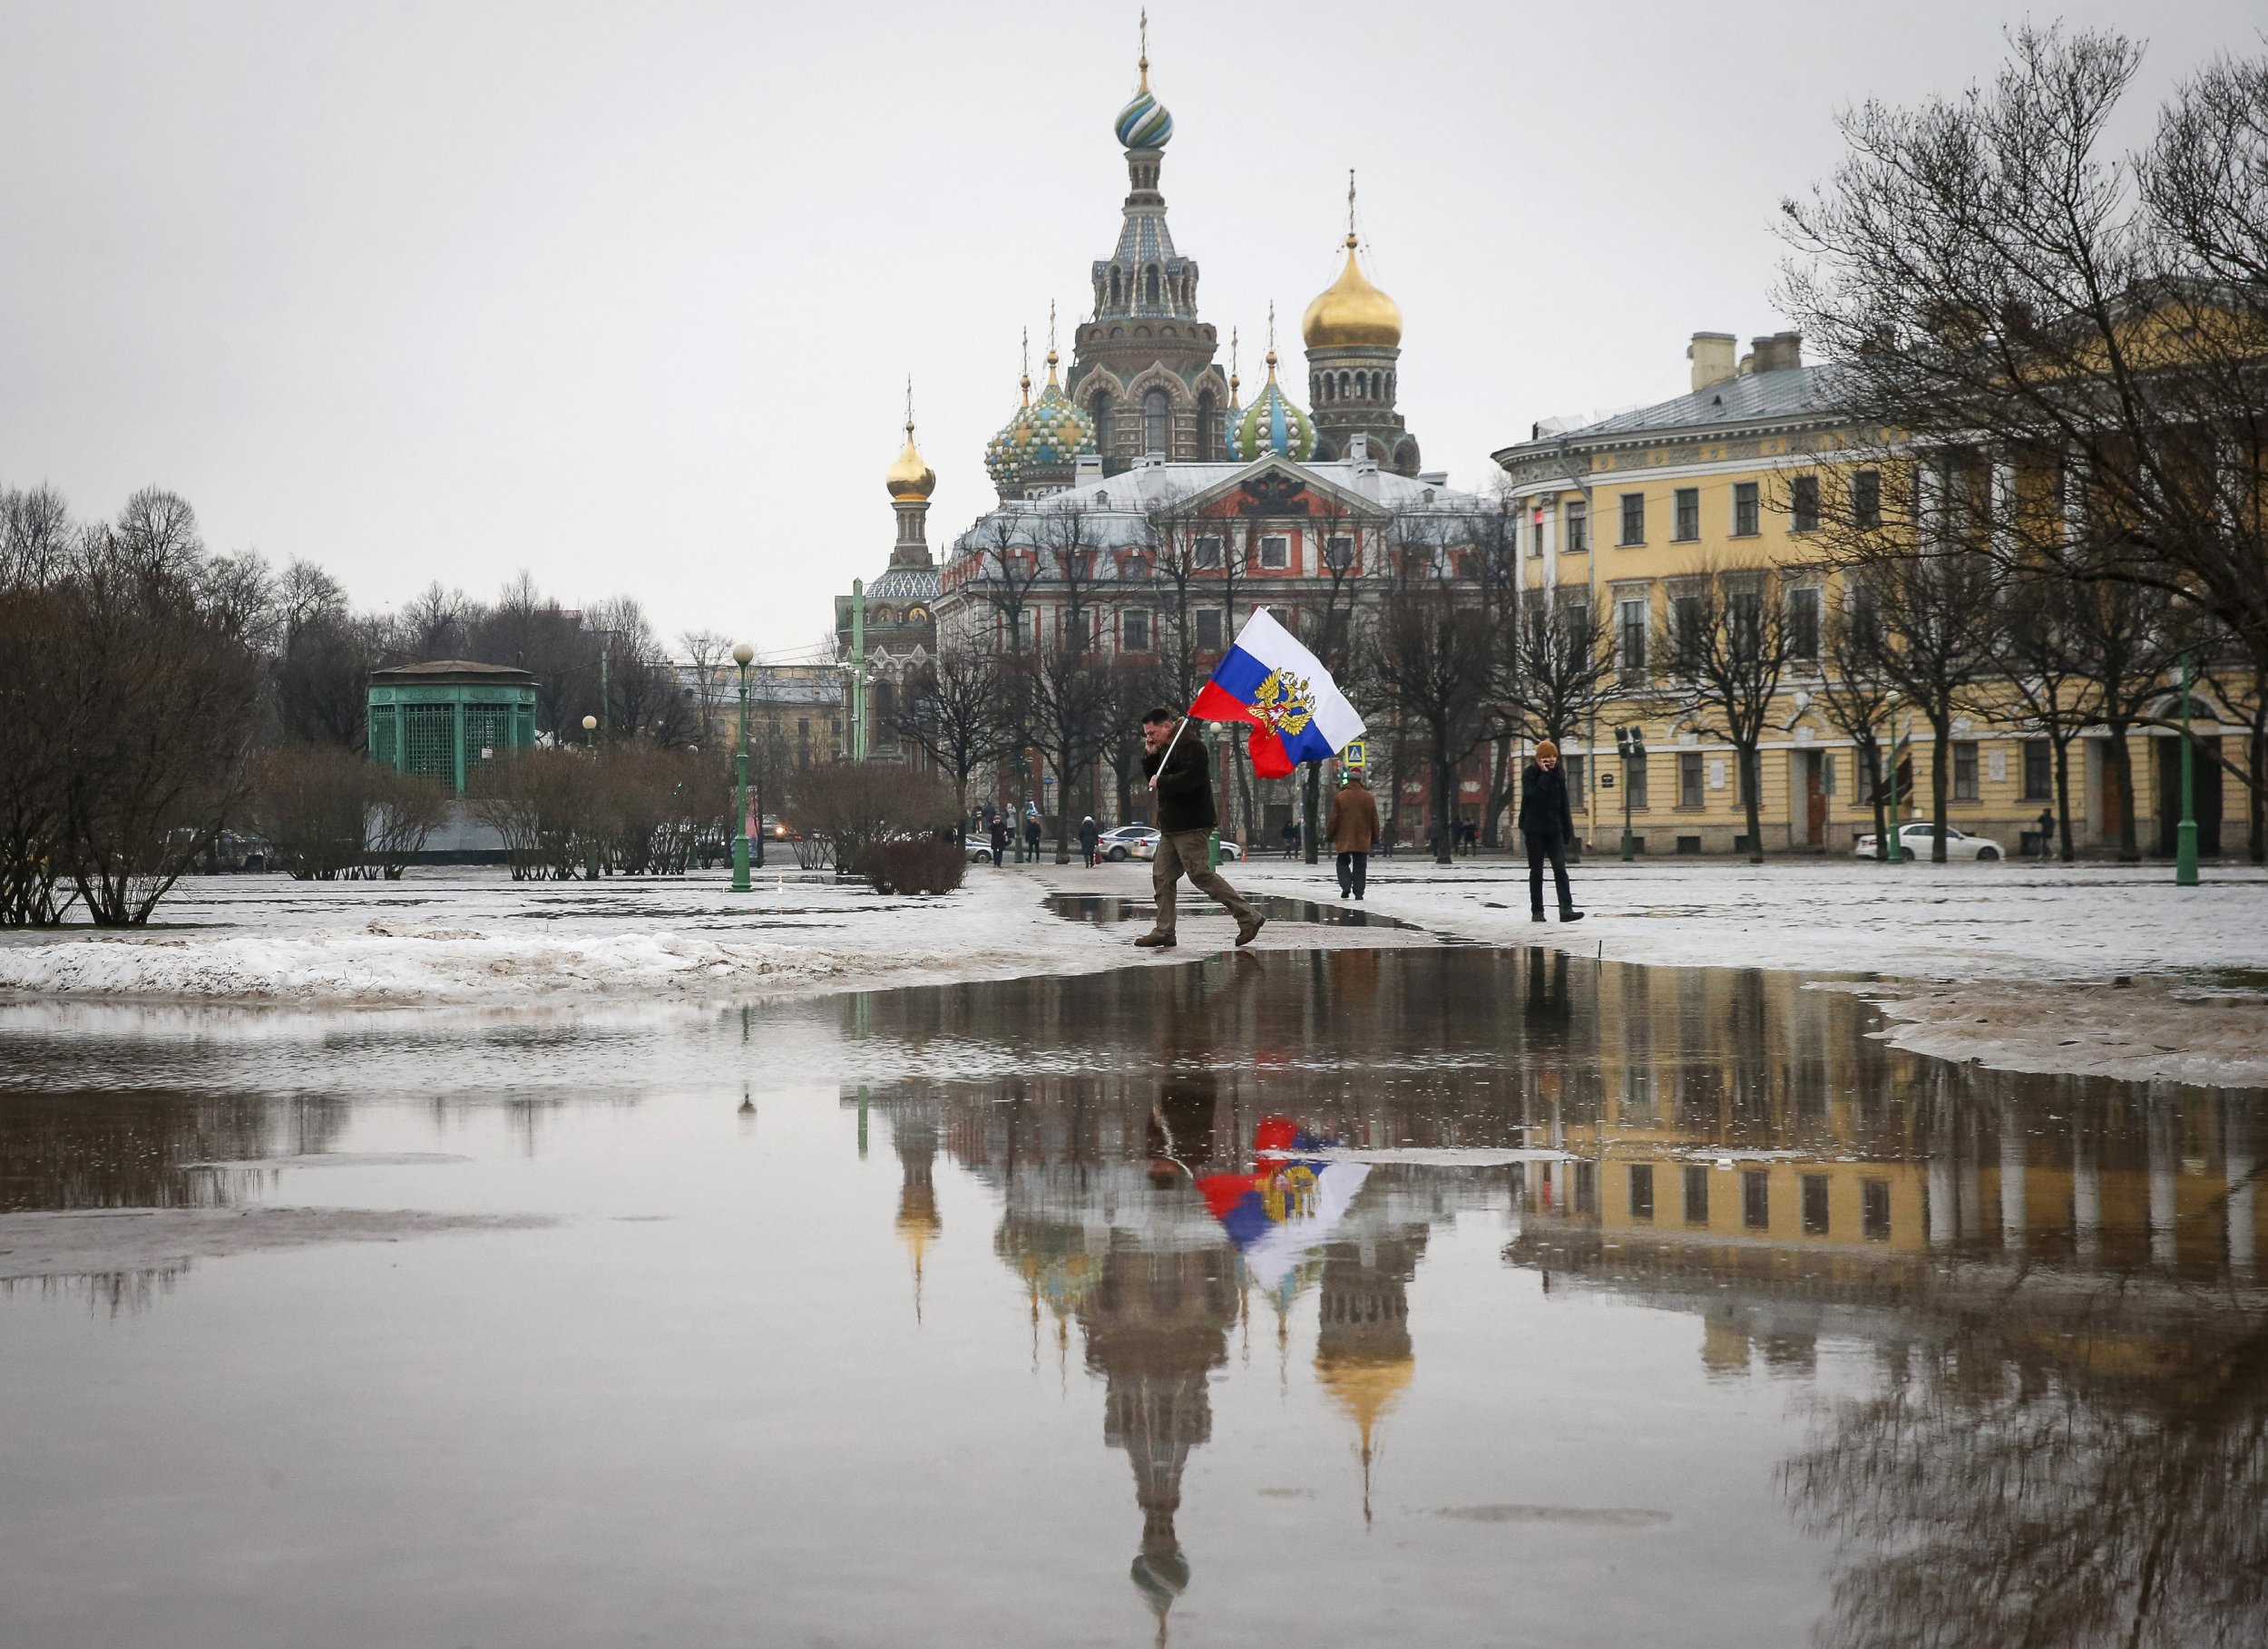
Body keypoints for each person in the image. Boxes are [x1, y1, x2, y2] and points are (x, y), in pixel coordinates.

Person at [1134, 707, 1264, 950]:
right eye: (1147, 734)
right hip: (1172, 826)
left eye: (1152, 733)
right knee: (1162, 876)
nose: (1149, 738)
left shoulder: (1192, 746)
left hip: (1191, 824)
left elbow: (1191, 780)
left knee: (1200, 874)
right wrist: (1150, 755)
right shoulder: (1166, 748)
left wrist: (1163, 780)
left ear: (1167, 726)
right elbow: (1155, 777)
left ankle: (1249, 917)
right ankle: (1164, 931)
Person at [1519, 739, 1584, 922]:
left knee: (1560, 870)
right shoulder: (1529, 774)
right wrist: (1545, 775)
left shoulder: (1559, 775)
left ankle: (1566, 909)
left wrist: (1567, 831)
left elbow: (1564, 804)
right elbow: (1533, 796)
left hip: (1554, 829)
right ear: (1539, 758)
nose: (1552, 759)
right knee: (1537, 872)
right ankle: (1537, 911)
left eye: (1554, 755)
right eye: (1547, 756)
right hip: (1534, 830)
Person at [1326, 772, 1380, 901]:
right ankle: (1359, 892)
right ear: (1361, 780)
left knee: (1342, 863)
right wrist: (1376, 837)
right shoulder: (1369, 797)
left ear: (1348, 780)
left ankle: (1346, 885)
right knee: (1360, 866)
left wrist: (1330, 834)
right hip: (1363, 837)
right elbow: (1374, 820)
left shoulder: (1340, 797)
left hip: (1344, 837)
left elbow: (1334, 818)